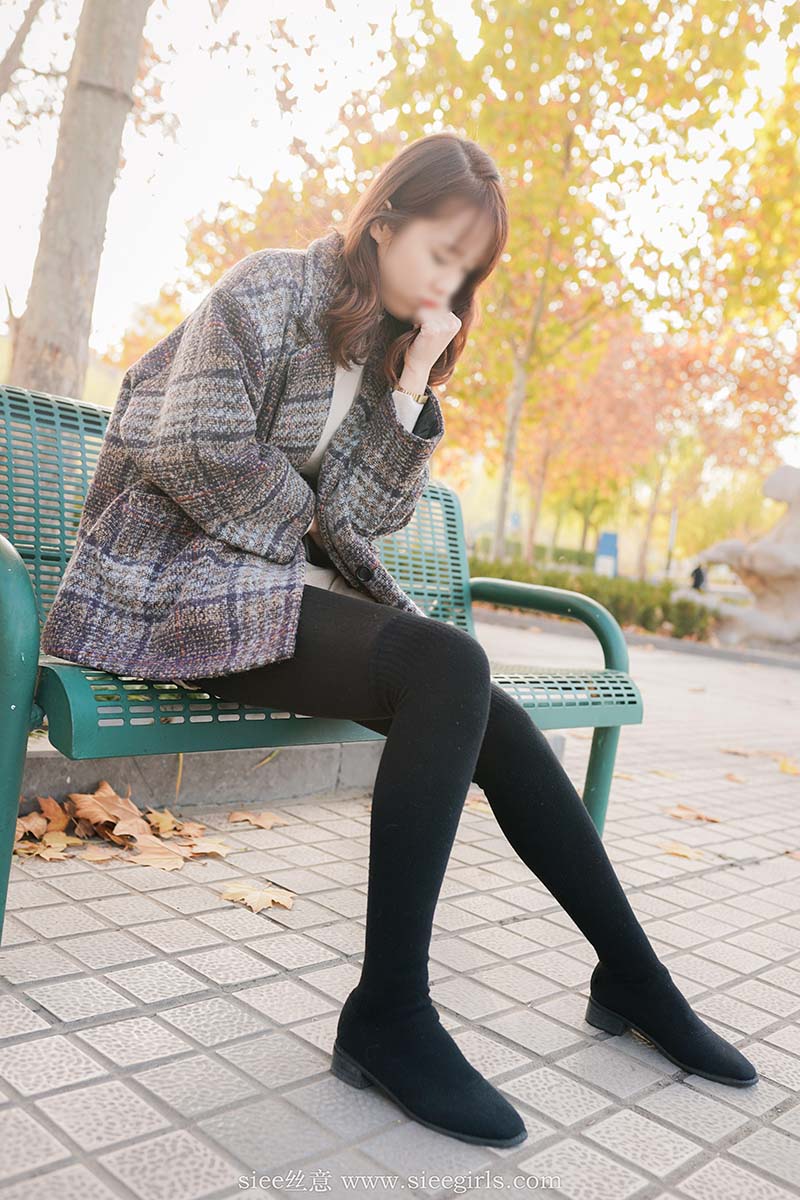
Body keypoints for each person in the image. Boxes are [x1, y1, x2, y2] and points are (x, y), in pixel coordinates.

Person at [49, 133, 759, 1150]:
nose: (448, 285)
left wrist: (411, 383)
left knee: (482, 708)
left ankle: (632, 977)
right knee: (447, 664)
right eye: (440, 252)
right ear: (383, 221)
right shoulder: (267, 289)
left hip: (273, 596)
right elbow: (193, 448)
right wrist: (308, 525)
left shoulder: (389, 346)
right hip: (171, 586)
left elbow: (368, 522)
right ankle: (389, 1011)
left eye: (468, 272)